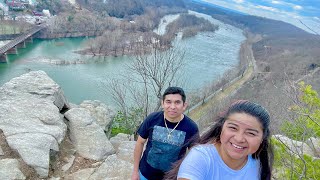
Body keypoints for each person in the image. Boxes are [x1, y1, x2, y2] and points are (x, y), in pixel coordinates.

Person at [165, 100, 274, 180]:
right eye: (233, 128)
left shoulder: (258, 164)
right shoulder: (200, 158)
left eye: (250, 133)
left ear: (262, 139)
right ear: (221, 128)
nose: (239, 138)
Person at [131, 87, 199, 180]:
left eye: (177, 102)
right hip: (145, 174)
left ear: (184, 105)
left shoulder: (191, 128)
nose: (172, 107)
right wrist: (135, 171)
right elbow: (140, 142)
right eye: (168, 102)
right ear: (162, 103)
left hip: (171, 177)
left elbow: (194, 156)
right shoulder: (152, 119)